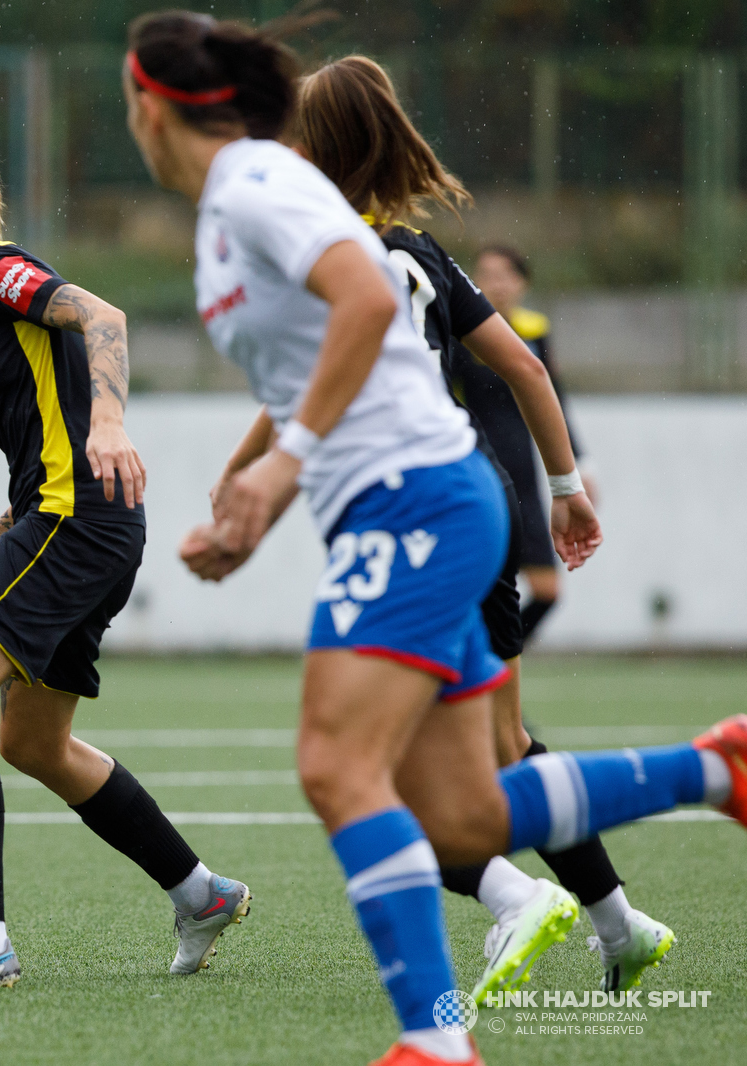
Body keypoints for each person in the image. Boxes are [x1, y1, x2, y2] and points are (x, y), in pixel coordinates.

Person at [123, 11, 745, 1066]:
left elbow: (366, 296)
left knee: (334, 762)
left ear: (149, 104)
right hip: (410, 499)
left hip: (416, 501)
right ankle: (719, 770)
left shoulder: (251, 185)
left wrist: (281, 465)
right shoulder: (237, 204)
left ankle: (432, 1040)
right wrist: (258, 490)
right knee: (460, 818)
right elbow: (326, 350)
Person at [290, 55, 671, 997]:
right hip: (482, 501)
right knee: (504, 750)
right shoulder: (421, 252)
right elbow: (527, 373)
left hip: (409, 518)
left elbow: (318, 382)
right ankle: (620, 925)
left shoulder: (323, 253)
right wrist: (567, 486)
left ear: (314, 147)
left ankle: (515, 899)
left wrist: (264, 472)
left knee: (369, 770)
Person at [0, 132, 251, 992]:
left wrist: (111, 425)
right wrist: (2, 521)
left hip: (74, 523)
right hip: (75, 522)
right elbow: (50, 410)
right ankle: (201, 894)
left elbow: (102, 318)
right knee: (35, 742)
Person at [468, 243, 588, 646]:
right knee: (485, 590)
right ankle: (482, 691)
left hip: (525, 476)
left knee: (547, 591)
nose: (496, 284)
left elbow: (554, 398)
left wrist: (578, 468)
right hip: (479, 470)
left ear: (523, 283)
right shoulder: (460, 332)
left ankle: (485, 664)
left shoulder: (535, 331)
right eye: (486, 275)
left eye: (505, 275)